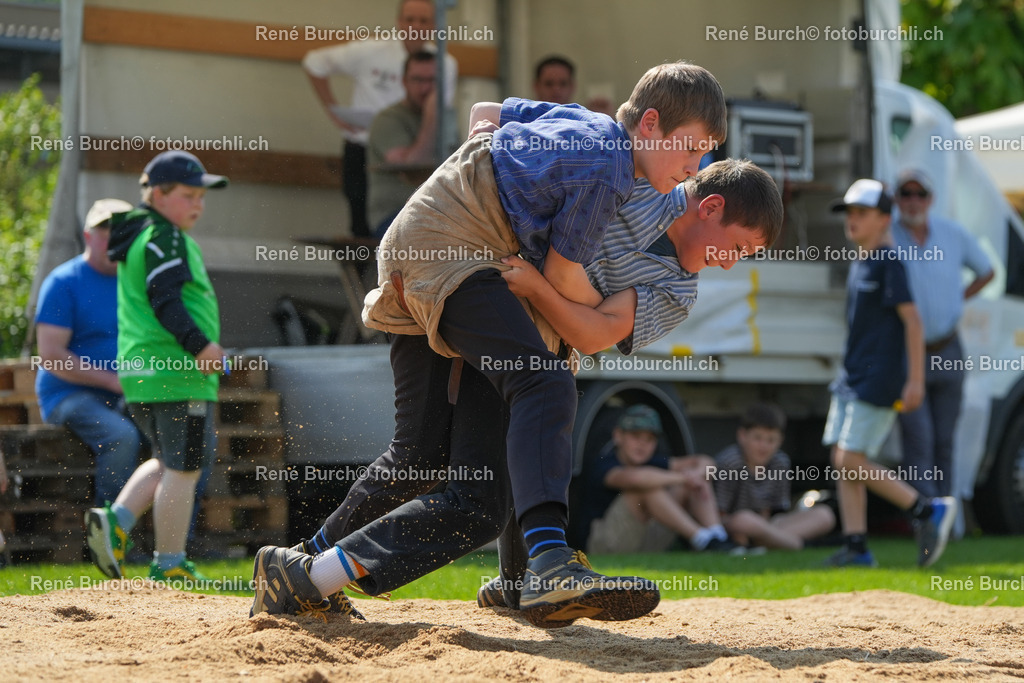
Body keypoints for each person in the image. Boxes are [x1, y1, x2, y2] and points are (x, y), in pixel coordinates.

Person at [251, 62, 761, 629]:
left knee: (435, 462)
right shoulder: (621, 172)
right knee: (542, 383)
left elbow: (487, 118)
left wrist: (490, 179)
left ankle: (299, 569)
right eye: (692, 151)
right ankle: (546, 564)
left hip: (446, 255)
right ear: (649, 126)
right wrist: (486, 192)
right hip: (460, 252)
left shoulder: (608, 153)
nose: (694, 166)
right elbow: (569, 281)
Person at [84, 151, 228, 582]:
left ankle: (116, 522)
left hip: (142, 373)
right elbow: (166, 299)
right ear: (157, 194)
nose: (198, 204)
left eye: (202, 196)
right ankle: (169, 565)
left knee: (167, 460)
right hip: (177, 371)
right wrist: (200, 345)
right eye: (188, 195)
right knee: (185, 469)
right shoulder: (165, 237)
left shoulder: (138, 236)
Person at [823, 178, 957, 568]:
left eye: (862, 213)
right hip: (851, 378)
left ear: (885, 219)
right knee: (840, 457)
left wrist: (915, 380)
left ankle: (925, 509)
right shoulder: (863, 259)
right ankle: (857, 547)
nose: (853, 221)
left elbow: (913, 323)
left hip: (878, 380)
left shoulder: (889, 262)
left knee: (850, 459)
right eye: (849, 213)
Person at [302, 0, 458, 239]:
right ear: (398, 22)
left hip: (420, 152)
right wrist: (333, 112)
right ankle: (368, 274)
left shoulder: (445, 63)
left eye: (423, 20)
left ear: (435, 25)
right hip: (364, 147)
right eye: (409, 19)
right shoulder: (370, 50)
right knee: (362, 226)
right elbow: (314, 62)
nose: (415, 26)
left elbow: (439, 114)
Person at [891, 167, 994, 500]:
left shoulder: (952, 234)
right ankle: (926, 519)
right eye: (906, 194)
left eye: (920, 194)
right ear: (897, 199)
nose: (913, 201)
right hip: (907, 352)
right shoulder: (887, 235)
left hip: (948, 347)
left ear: (931, 199)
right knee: (918, 440)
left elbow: (986, 270)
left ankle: (944, 514)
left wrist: (957, 298)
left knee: (945, 440)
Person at [35, 198, 143, 507]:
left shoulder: (136, 282)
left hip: (130, 391)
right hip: (69, 395)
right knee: (122, 438)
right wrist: (113, 381)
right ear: (88, 235)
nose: (113, 237)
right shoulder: (63, 282)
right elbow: (51, 356)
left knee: (181, 434)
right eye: (106, 230)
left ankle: (178, 542)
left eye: (122, 230)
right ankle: (110, 532)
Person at [584, 405, 737, 555]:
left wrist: (695, 475)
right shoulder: (605, 463)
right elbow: (636, 478)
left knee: (695, 482)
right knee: (647, 489)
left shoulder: (652, 461)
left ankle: (719, 537)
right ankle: (703, 540)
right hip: (605, 544)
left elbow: (706, 462)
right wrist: (684, 477)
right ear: (618, 435)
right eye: (636, 436)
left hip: (645, 541)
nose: (642, 444)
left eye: (649, 439)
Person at [713, 403, 834, 551]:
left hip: (767, 525)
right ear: (742, 436)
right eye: (757, 438)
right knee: (745, 520)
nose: (763, 446)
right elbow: (721, 514)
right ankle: (794, 544)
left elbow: (774, 510)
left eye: (770, 440)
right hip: (736, 524)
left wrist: (763, 526)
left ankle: (762, 542)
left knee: (824, 515)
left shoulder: (780, 462)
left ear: (780, 441)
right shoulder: (731, 462)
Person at [367, 50, 442, 238]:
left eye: (431, 80)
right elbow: (411, 165)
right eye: (418, 80)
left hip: (439, 215)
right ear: (404, 82)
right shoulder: (388, 119)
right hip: (395, 217)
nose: (425, 88)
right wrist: (431, 117)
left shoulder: (447, 119)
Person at [533, 54, 614, 115]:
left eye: (563, 84)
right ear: (536, 86)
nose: (556, 89)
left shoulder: (587, 122)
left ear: (572, 86)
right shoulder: (523, 123)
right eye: (549, 84)